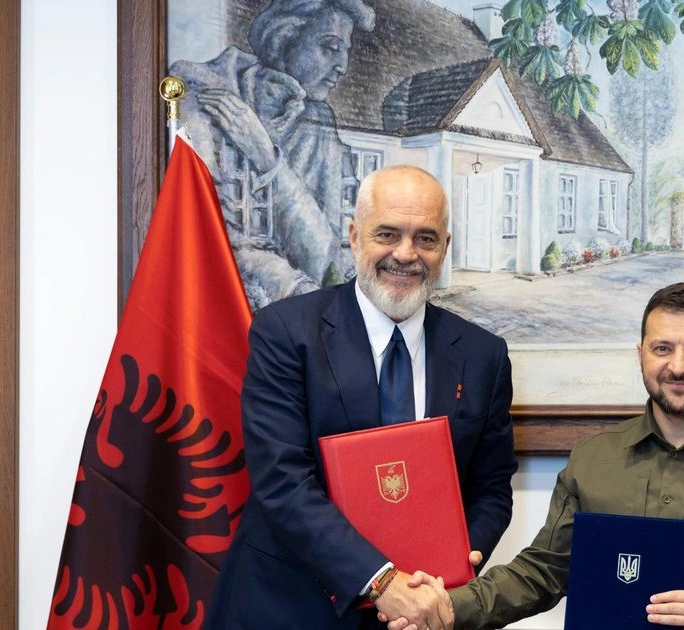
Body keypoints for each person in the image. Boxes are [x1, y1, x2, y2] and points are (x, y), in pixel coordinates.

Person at [389, 282, 684, 630]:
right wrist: (451, 606)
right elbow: (544, 571)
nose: (678, 366)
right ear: (641, 354)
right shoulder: (593, 460)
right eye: (662, 348)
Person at [207, 165, 518, 629]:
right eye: (387, 234)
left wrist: (447, 570)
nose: (406, 254)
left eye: (426, 238)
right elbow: (282, 480)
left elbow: (491, 488)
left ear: (445, 247)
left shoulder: (482, 355)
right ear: (355, 237)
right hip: (290, 608)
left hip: (421, 614)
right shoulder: (286, 332)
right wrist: (381, 581)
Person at [170, 0, 376, 307]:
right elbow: (205, 235)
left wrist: (266, 156)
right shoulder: (198, 90)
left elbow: (330, 259)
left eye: (345, 51)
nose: (342, 66)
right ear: (284, 37)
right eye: (330, 47)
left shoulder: (318, 123)